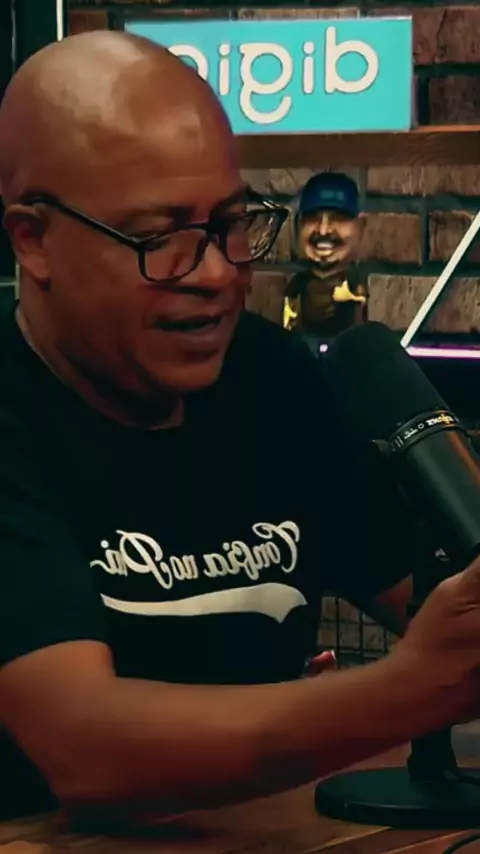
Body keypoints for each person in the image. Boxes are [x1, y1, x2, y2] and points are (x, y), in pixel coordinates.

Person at [0, 31, 480, 828]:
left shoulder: (271, 376)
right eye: (160, 238)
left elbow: (426, 592)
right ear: (34, 240)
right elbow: (82, 747)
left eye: (231, 224)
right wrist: (406, 691)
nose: (219, 273)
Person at [283, 172, 367, 337]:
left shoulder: (356, 288)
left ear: (361, 227)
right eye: (312, 217)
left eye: (339, 218)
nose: (323, 230)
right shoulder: (296, 287)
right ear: (298, 225)